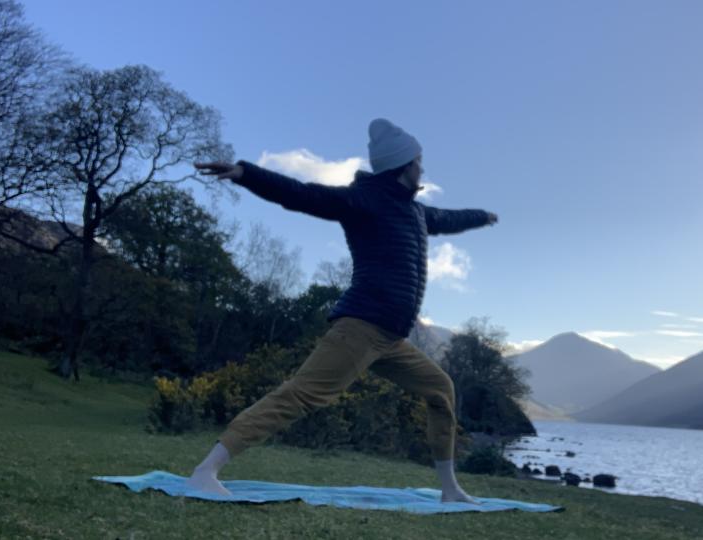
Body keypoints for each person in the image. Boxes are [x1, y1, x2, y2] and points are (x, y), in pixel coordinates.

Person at [187, 118, 497, 503]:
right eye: (419, 161)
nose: (422, 168)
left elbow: (449, 218)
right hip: (361, 328)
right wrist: (246, 173)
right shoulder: (364, 200)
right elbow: (303, 193)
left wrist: (482, 215)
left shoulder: (416, 213)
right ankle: (205, 471)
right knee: (301, 395)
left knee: (440, 389)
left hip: (390, 339)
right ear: (404, 166)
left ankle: (450, 489)